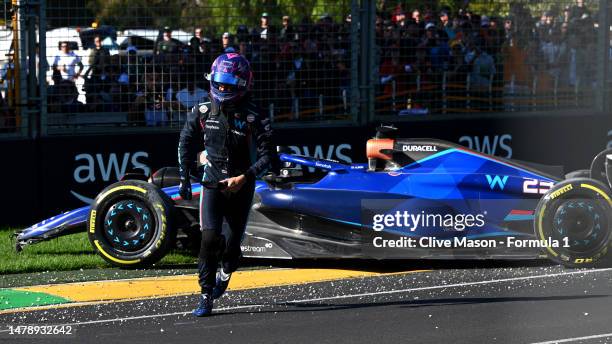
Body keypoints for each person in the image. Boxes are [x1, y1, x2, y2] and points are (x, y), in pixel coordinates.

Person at [178, 53, 273, 317]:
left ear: (243, 84)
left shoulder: (255, 115)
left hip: (242, 187)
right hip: (211, 184)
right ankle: (205, 295)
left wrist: (245, 177)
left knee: (231, 246)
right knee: (208, 239)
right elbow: (185, 142)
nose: (222, 89)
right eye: (219, 83)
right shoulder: (202, 110)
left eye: (229, 85)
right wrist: (185, 177)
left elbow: (269, 156)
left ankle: (227, 270)